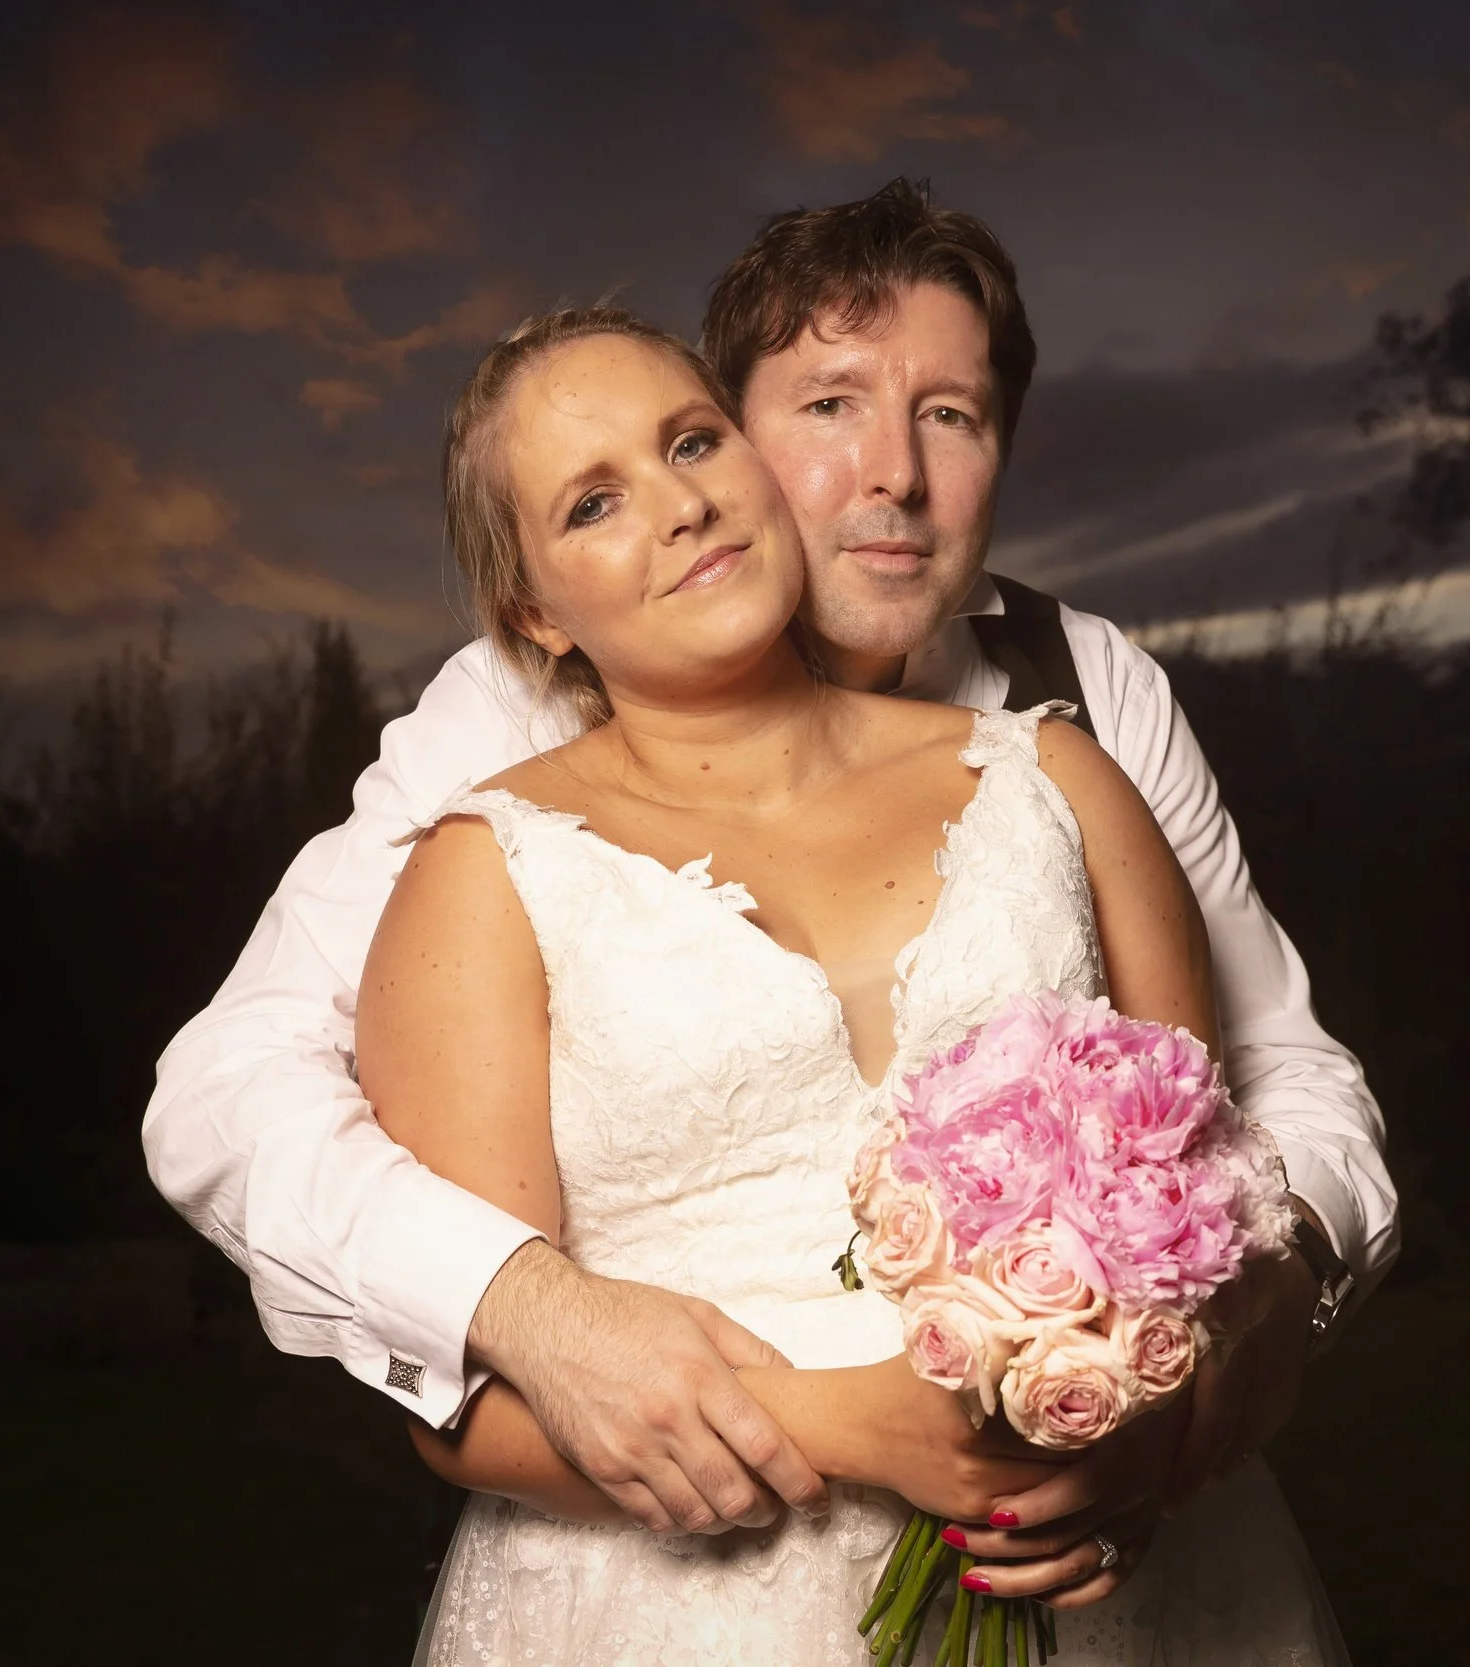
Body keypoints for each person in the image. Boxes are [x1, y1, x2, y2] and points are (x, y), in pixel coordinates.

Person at [143, 181, 1395, 1597]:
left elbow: (1272, 1077)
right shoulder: (512, 721)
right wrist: (530, 1308)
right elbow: (229, 1086)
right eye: (829, 405)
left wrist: (1219, 1340)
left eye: (953, 415)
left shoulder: (1082, 703)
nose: (894, 476)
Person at [367, 304, 1348, 1660]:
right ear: (537, 610)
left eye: (693, 442)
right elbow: (464, 1412)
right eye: (595, 501)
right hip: (679, 1616)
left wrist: (1150, 1449)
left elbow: (1214, 1221)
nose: (680, 507)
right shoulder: (483, 877)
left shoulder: (1055, 778)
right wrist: (858, 1424)